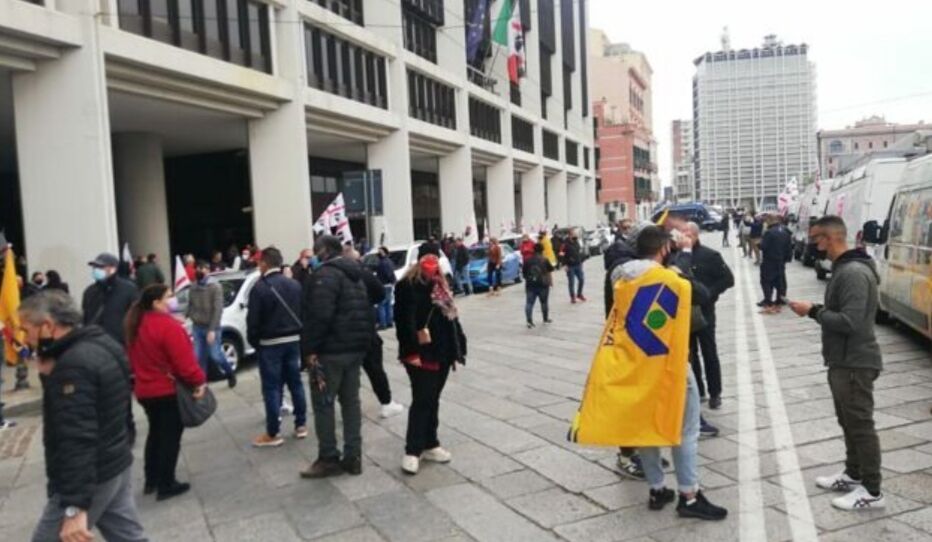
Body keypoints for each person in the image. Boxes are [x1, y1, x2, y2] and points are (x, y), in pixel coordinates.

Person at [21, 291, 148, 542]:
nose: (26, 339)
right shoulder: (101, 343)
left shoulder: (73, 365)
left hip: (94, 474)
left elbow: (77, 436)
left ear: (47, 326)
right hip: (115, 460)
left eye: (27, 330)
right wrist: (51, 377)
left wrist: (74, 508)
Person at [621, 227, 728, 521]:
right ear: (665, 249)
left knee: (647, 427)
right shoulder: (670, 277)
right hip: (669, 362)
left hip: (636, 362)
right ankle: (689, 496)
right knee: (686, 430)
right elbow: (702, 294)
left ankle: (656, 488)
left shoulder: (619, 278)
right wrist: (683, 260)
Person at [789, 215, 885, 510]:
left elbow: (851, 322)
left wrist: (812, 311)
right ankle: (853, 474)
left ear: (831, 238)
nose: (812, 244)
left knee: (860, 425)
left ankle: (872, 491)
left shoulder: (853, 272)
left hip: (855, 361)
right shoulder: (844, 268)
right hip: (843, 360)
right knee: (848, 421)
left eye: (815, 238)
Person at [300, 235, 374, 478]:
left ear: (325, 252)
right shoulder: (355, 273)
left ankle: (328, 457)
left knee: (324, 403)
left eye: (315, 251)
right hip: (355, 347)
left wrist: (309, 349)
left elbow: (320, 316)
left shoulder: (324, 276)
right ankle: (353, 456)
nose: (313, 255)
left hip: (331, 351)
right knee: (351, 402)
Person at [125, 284, 206, 500]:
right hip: (166, 389)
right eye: (169, 296)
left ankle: (151, 479)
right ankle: (166, 483)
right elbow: (185, 363)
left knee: (155, 433)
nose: (173, 300)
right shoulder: (168, 327)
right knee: (170, 437)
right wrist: (199, 381)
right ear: (156, 303)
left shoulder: (135, 324)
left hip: (144, 390)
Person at [393, 253, 467, 475]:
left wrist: (458, 347)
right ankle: (413, 450)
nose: (432, 264)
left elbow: (451, 317)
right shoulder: (408, 284)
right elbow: (403, 321)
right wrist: (411, 351)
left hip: (443, 350)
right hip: (421, 351)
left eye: (435, 259)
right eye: (428, 259)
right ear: (419, 261)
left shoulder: (441, 281)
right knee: (423, 398)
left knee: (433, 398)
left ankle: (430, 442)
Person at [246, 247, 308, 448]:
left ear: (264, 263)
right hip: (293, 341)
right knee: (295, 383)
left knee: (272, 388)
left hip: (270, 344)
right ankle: (301, 425)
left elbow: (253, 322)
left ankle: (273, 432)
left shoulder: (259, 288)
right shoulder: (294, 285)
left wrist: (256, 342)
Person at [345, 248, 405, 419]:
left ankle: (350, 407)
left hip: (344, 334)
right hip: (366, 330)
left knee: (350, 373)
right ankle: (386, 402)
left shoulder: (335, 277)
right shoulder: (364, 275)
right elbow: (379, 295)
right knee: (375, 369)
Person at [682, 222, 734, 409]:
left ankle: (715, 392)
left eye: (687, 233)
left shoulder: (710, 255)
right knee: (689, 355)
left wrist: (709, 294)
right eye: (682, 233)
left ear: (696, 235)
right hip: (684, 313)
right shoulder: (676, 257)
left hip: (705, 312)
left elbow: (728, 279)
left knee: (709, 352)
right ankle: (698, 391)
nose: (684, 236)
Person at [186, 260, 236, 388]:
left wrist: (212, 330)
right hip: (197, 327)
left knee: (216, 355)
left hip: (211, 327)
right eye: (197, 268)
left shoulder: (215, 287)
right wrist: (189, 316)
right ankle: (202, 384)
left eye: (202, 269)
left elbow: (218, 309)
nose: (199, 271)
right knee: (198, 357)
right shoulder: (193, 287)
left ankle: (230, 373)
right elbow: (190, 305)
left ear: (207, 271)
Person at [759, 216, 793, 314]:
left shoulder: (769, 232)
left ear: (769, 221)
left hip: (769, 260)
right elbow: (789, 246)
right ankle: (780, 298)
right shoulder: (786, 231)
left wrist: (758, 244)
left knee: (766, 281)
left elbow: (764, 246)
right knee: (780, 280)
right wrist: (787, 258)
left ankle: (768, 299)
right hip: (781, 260)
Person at [523, 243, 554, 328]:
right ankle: (545, 319)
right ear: (542, 250)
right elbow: (550, 270)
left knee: (529, 303)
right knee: (544, 302)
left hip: (530, 285)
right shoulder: (544, 259)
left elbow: (524, 274)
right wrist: (550, 281)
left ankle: (529, 321)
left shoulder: (527, 260)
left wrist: (530, 279)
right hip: (543, 284)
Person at [561, 230, 587, 303]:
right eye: (574, 234)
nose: (575, 236)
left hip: (578, 264)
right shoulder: (565, 244)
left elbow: (579, 252)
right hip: (570, 266)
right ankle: (572, 297)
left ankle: (579, 294)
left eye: (575, 234)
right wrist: (564, 264)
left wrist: (581, 261)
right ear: (569, 235)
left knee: (581, 280)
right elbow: (561, 254)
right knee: (571, 282)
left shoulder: (576, 242)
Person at [374, 247, 397, 329]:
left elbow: (388, 273)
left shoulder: (382, 263)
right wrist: (393, 281)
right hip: (389, 285)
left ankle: (383, 323)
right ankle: (389, 321)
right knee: (388, 304)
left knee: (382, 304)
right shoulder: (389, 261)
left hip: (383, 284)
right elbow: (392, 273)